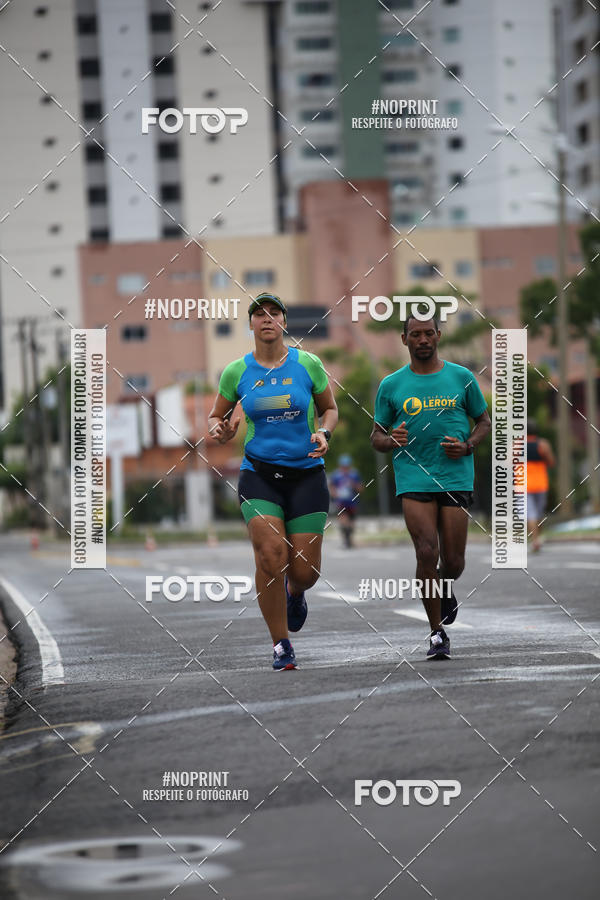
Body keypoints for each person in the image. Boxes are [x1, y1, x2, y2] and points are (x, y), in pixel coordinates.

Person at [208, 292, 338, 670]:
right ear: (250, 324)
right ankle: (281, 644)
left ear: (284, 321)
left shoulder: (307, 364)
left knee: (305, 572)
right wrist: (220, 430)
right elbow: (217, 417)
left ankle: (295, 592)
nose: (267, 319)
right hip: (259, 475)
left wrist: (323, 433)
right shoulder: (236, 372)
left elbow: (329, 408)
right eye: (259, 314)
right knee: (270, 555)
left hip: (306, 475)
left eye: (274, 313)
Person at [370, 313, 491, 660]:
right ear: (404, 339)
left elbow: (483, 421)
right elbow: (376, 436)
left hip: (454, 475)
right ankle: (436, 633)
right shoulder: (391, 385)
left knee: (453, 560)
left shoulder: (462, 377)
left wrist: (468, 445)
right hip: (414, 476)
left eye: (428, 333)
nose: (422, 339)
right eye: (415, 334)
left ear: (438, 336)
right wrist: (390, 439)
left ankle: (445, 585)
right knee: (426, 552)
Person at [526, 420, 555, 552]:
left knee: (530, 514)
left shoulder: (516, 445)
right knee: (538, 513)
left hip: (523, 485)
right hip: (540, 484)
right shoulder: (543, 444)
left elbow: (507, 464)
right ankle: (537, 539)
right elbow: (551, 462)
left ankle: (535, 540)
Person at [329, 454, 363, 548]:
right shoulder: (336, 475)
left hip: (352, 502)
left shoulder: (354, 474)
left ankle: (350, 540)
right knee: (344, 522)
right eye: (343, 466)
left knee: (351, 524)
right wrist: (335, 494)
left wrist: (354, 485)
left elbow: (360, 489)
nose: (345, 468)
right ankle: (346, 540)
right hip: (341, 502)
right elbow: (331, 487)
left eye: (347, 466)